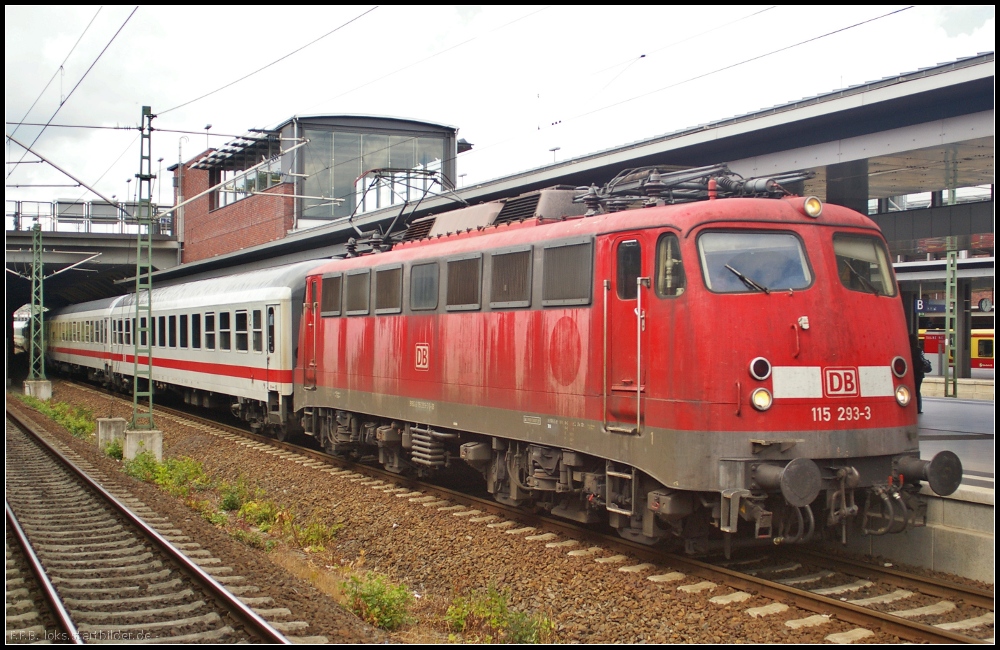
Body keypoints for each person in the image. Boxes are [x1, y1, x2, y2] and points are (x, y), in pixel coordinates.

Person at [910, 335, 926, 414]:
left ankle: (911, 407)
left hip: (911, 373)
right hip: (919, 373)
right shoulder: (919, 350)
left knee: (911, 391)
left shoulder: (908, 350)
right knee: (917, 391)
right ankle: (918, 408)